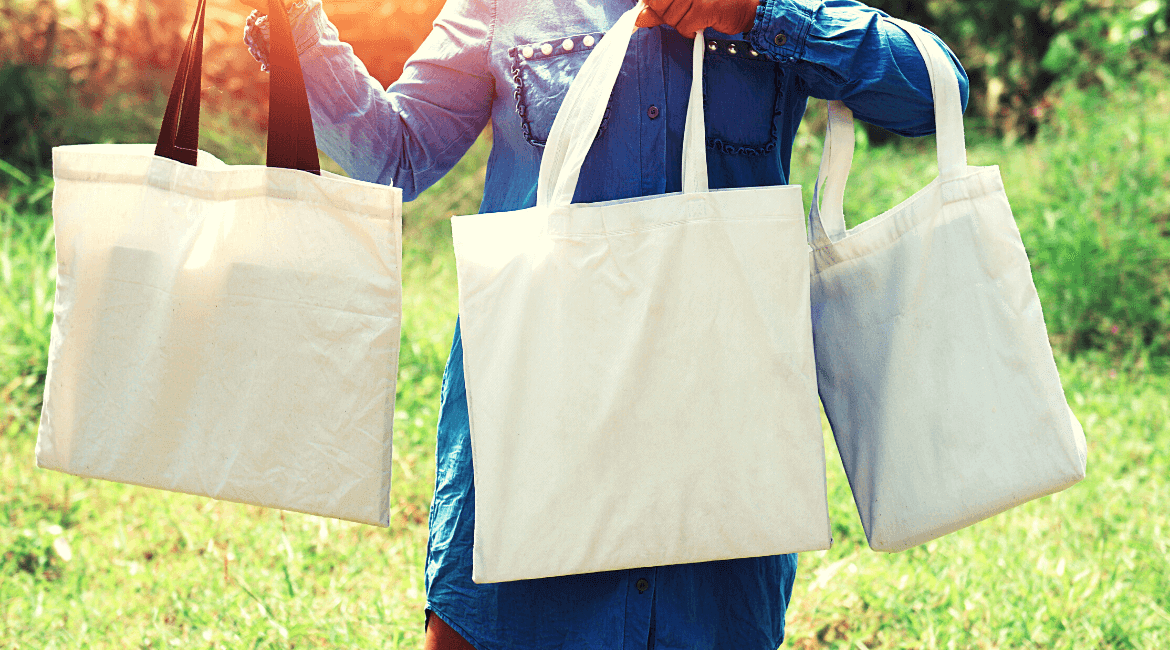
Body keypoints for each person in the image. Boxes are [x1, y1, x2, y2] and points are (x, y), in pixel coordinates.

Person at [241, 0, 968, 647]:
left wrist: (758, 16)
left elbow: (939, 92)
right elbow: (393, 157)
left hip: (718, 433)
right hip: (532, 419)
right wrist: (294, 22)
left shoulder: (773, 5)